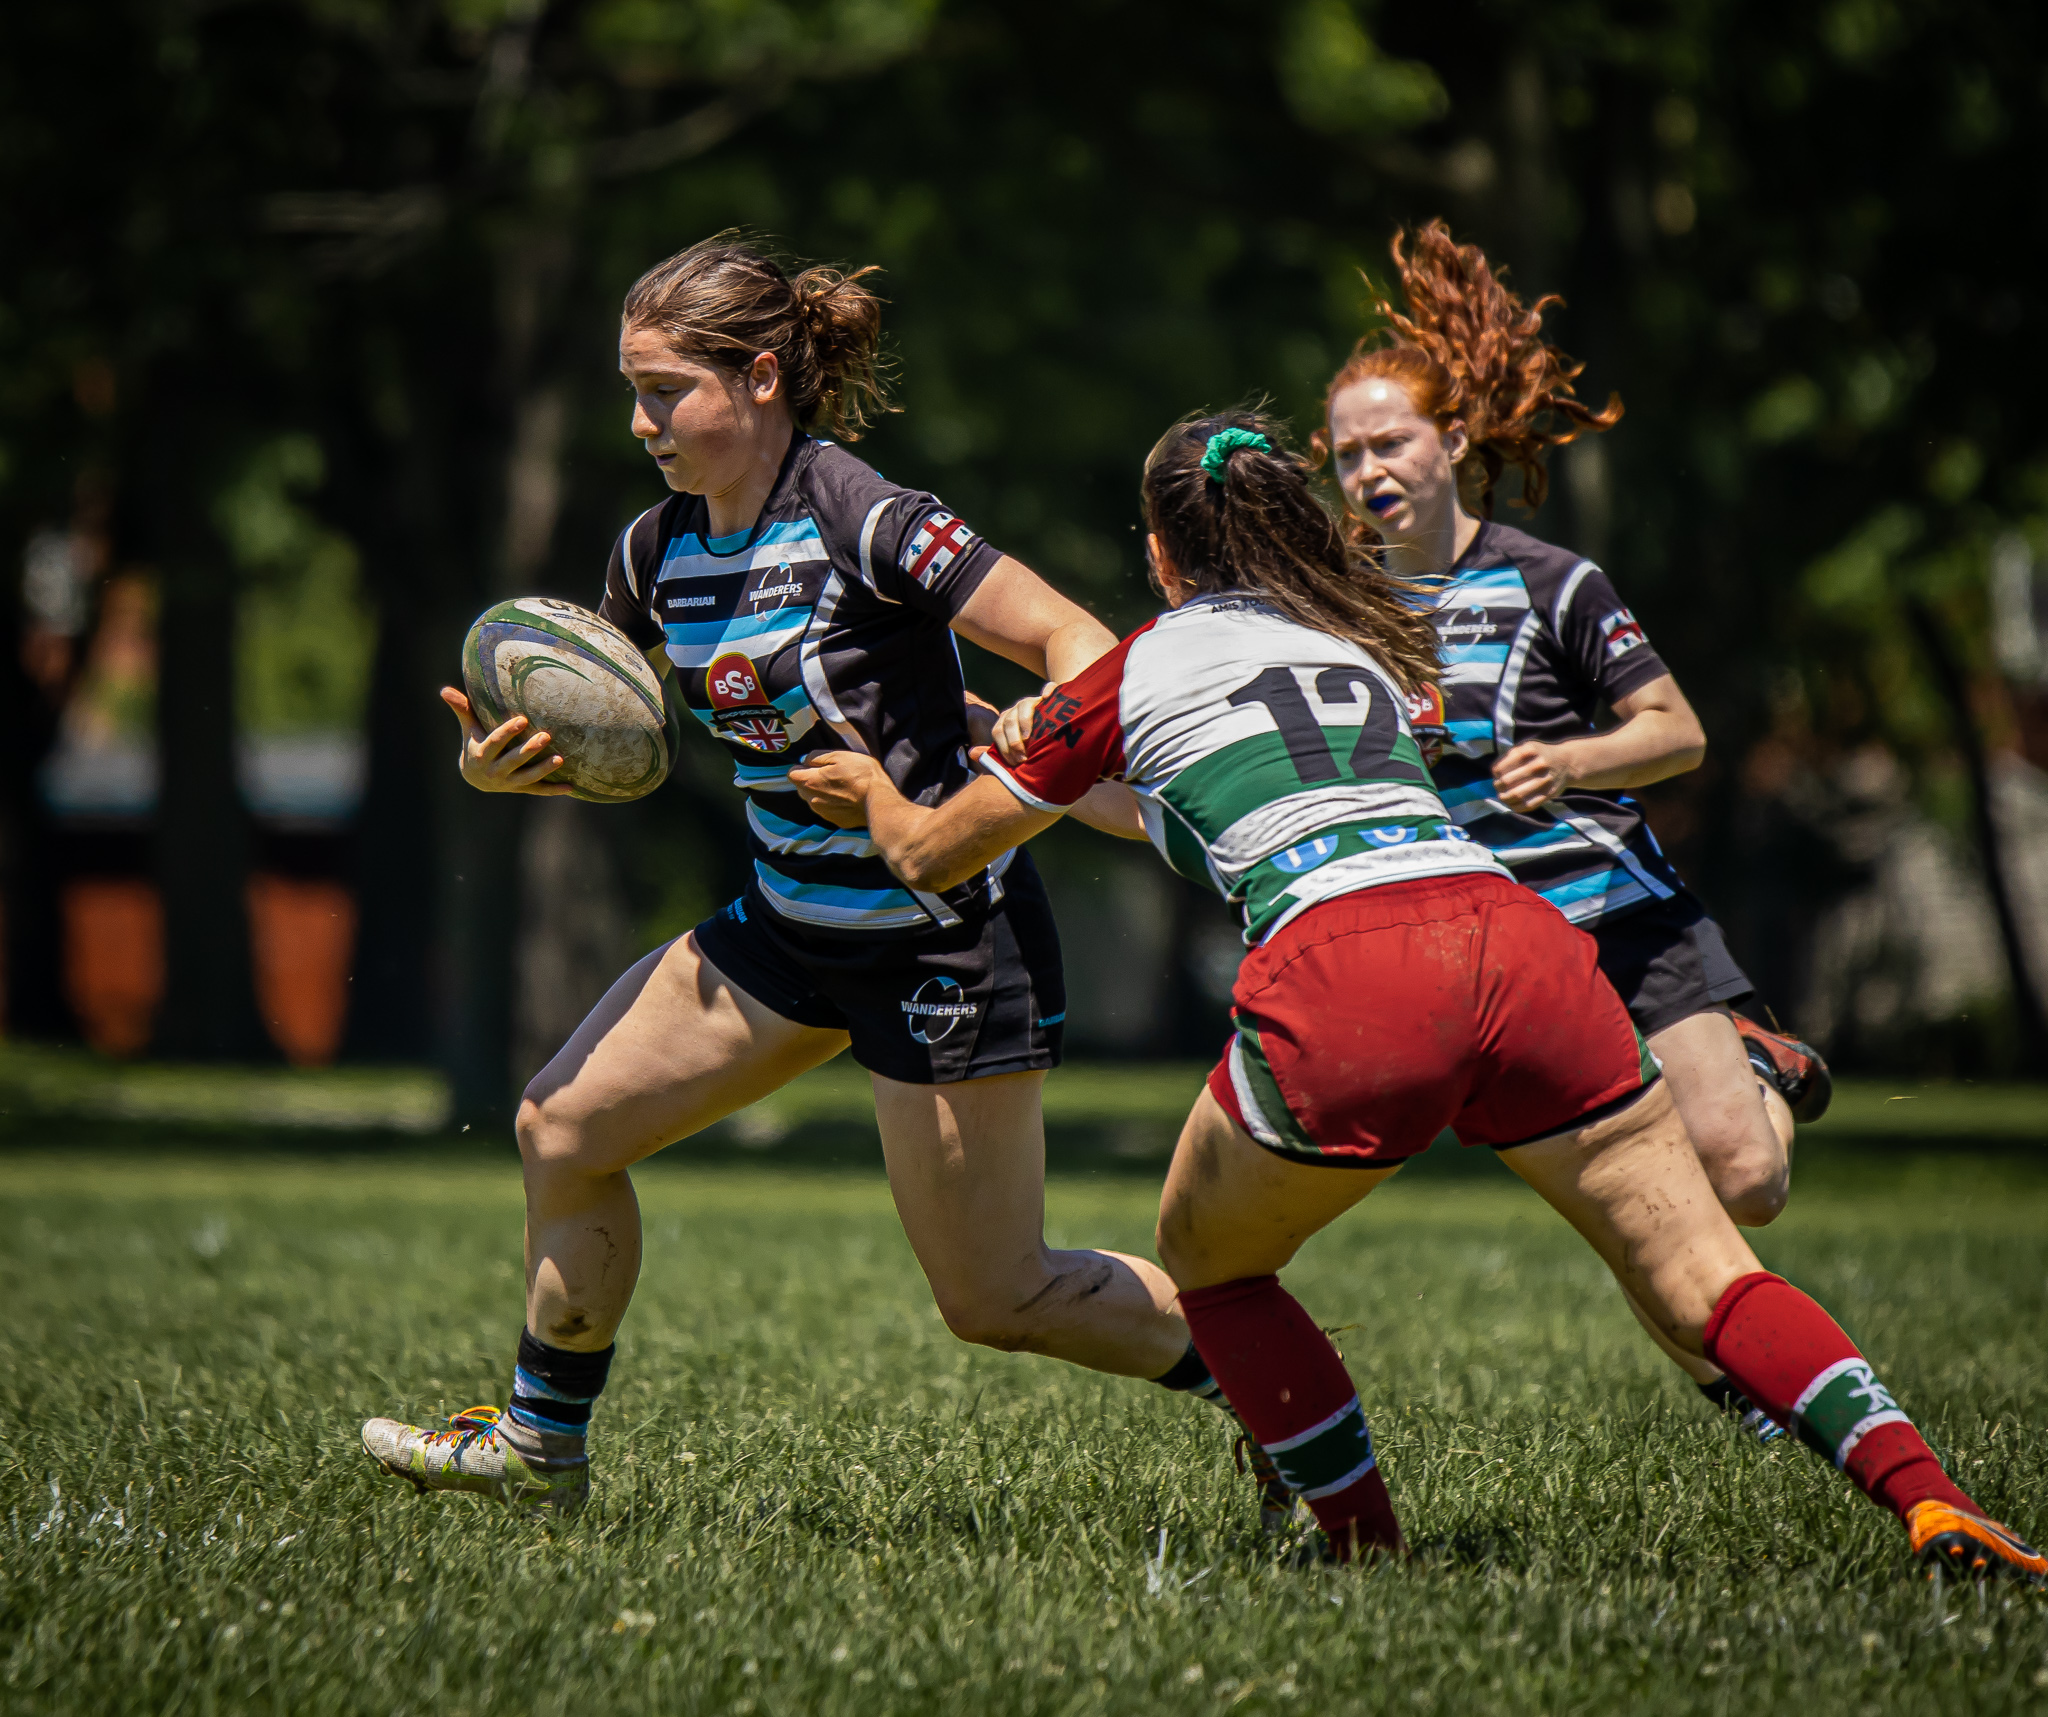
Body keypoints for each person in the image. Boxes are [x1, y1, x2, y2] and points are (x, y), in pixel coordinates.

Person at [790, 408, 2045, 1583]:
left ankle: (1359, 1549)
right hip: (1519, 941)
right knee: (1701, 1276)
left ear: (1162, 554)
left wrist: (879, 793)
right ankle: (1930, 1496)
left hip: (1344, 968)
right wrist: (1046, 750)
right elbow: (1194, 796)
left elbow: (928, 855)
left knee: (1204, 1260)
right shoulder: (1358, 650)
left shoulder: (1125, 670)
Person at [359, 236, 1241, 1513]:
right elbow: (612, 742)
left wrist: (1019, 761)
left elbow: (1079, 643)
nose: (639, 420)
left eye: (665, 389)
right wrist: (517, 771)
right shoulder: (653, 554)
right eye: (632, 389)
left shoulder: (866, 517)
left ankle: (1282, 1392)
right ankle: (540, 1447)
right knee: (563, 1126)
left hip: (940, 933)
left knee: (994, 1296)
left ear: (761, 376)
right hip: (785, 923)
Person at [1316, 221, 1831, 1436]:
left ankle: (1758, 1062)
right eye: (1343, 455)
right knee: (1623, 1200)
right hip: (1500, 959)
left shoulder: (1552, 582)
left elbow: (1677, 730)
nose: (1366, 470)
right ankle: (1739, 1388)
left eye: (1388, 441)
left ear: (1452, 443)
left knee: (1744, 1180)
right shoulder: (1340, 613)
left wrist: (1574, 758)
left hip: (1621, 918)